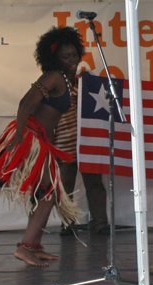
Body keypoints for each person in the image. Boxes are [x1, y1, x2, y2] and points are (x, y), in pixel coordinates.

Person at [0, 26, 84, 266]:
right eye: (66, 56)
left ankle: (34, 245)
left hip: (43, 142)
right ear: (54, 57)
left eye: (74, 55)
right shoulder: (52, 76)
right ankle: (26, 247)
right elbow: (25, 103)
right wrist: (19, 136)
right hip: (32, 139)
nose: (72, 60)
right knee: (48, 195)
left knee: (44, 194)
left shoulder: (63, 78)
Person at [55, 72, 110, 236]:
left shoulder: (84, 84)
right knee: (65, 188)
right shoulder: (53, 86)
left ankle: (99, 223)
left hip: (88, 141)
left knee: (95, 184)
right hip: (65, 143)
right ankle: (67, 224)